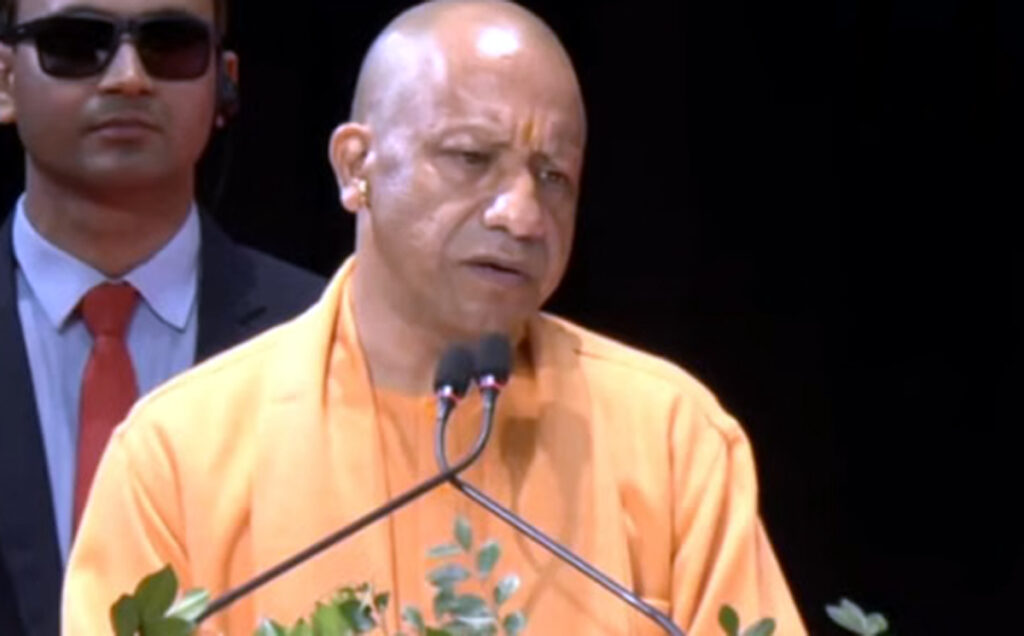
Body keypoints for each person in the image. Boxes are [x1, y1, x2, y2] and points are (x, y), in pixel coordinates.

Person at [62, 1, 806, 633]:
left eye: (553, 176)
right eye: (471, 158)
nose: (521, 215)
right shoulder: (176, 457)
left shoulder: (671, 439)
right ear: (356, 166)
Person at [0, 0, 324, 632]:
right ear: (6, 80)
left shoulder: (319, 336)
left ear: (224, 81)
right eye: (77, 43)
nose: (128, 77)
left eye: (169, 44)